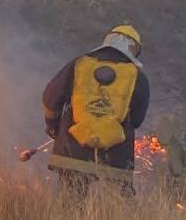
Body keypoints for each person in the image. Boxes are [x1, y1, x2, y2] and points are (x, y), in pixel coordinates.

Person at [41, 25, 150, 196]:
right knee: (116, 208)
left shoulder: (79, 64)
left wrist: (52, 126)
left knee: (71, 205)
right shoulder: (137, 76)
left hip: (72, 150)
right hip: (116, 158)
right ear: (134, 49)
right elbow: (137, 119)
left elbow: (50, 98)